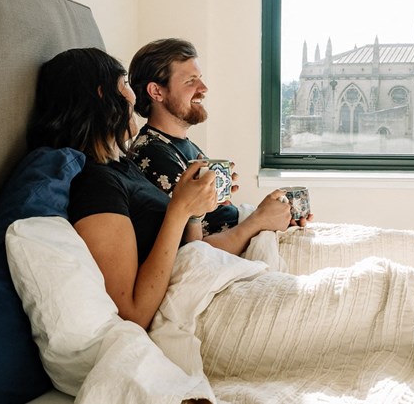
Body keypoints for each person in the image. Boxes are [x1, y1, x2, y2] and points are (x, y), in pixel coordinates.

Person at [27, 47, 291, 329]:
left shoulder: (122, 165)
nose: (132, 97)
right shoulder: (95, 183)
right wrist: (180, 209)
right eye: (125, 85)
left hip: (205, 275)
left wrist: (194, 211)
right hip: (194, 309)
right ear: (103, 95)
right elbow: (133, 313)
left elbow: (189, 248)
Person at [128, 38, 303, 256]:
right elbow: (189, 253)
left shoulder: (183, 145)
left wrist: (274, 216)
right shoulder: (152, 154)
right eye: (191, 81)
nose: (204, 88)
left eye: (200, 78)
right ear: (156, 92)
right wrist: (260, 220)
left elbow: (214, 218)